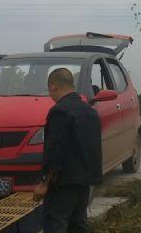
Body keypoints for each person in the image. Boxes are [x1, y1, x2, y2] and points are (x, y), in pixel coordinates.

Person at [33, 67, 102, 233]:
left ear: (53, 86)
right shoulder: (91, 112)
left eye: (49, 89)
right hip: (84, 184)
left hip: (62, 184)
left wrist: (43, 182)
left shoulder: (59, 111)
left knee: (55, 224)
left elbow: (54, 150)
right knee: (78, 226)